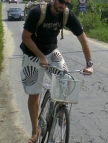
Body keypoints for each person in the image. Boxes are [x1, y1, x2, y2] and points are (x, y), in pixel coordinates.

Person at [20, 0, 93, 142]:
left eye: (67, 3)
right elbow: (25, 37)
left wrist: (89, 64)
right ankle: (35, 132)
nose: (63, 6)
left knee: (66, 79)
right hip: (32, 53)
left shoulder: (66, 14)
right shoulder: (37, 12)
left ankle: (60, 111)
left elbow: (83, 39)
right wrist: (41, 56)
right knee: (34, 93)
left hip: (51, 50)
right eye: (61, 2)